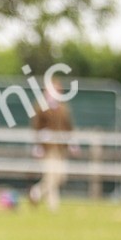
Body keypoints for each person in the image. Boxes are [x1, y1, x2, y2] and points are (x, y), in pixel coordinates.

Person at [30, 83, 74, 211]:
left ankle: (37, 192)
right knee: (51, 175)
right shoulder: (41, 107)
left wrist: (71, 143)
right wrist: (38, 145)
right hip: (48, 148)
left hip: (61, 147)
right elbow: (37, 126)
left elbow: (68, 126)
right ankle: (53, 206)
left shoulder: (63, 108)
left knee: (60, 176)